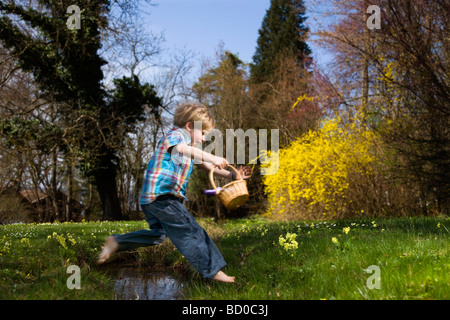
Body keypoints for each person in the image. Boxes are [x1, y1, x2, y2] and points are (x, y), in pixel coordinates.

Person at [97, 102, 252, 283]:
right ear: (189, 126)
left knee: (159, 235)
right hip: (162, 197)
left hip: (152, 200)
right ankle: (213, 271)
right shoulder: (176, 137)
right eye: (202, 134)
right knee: (191, 230)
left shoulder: (190, 149)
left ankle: (116, 242)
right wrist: (213, 156)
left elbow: (207, 167)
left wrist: (233, 175)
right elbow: (183, 149)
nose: (203, 139)